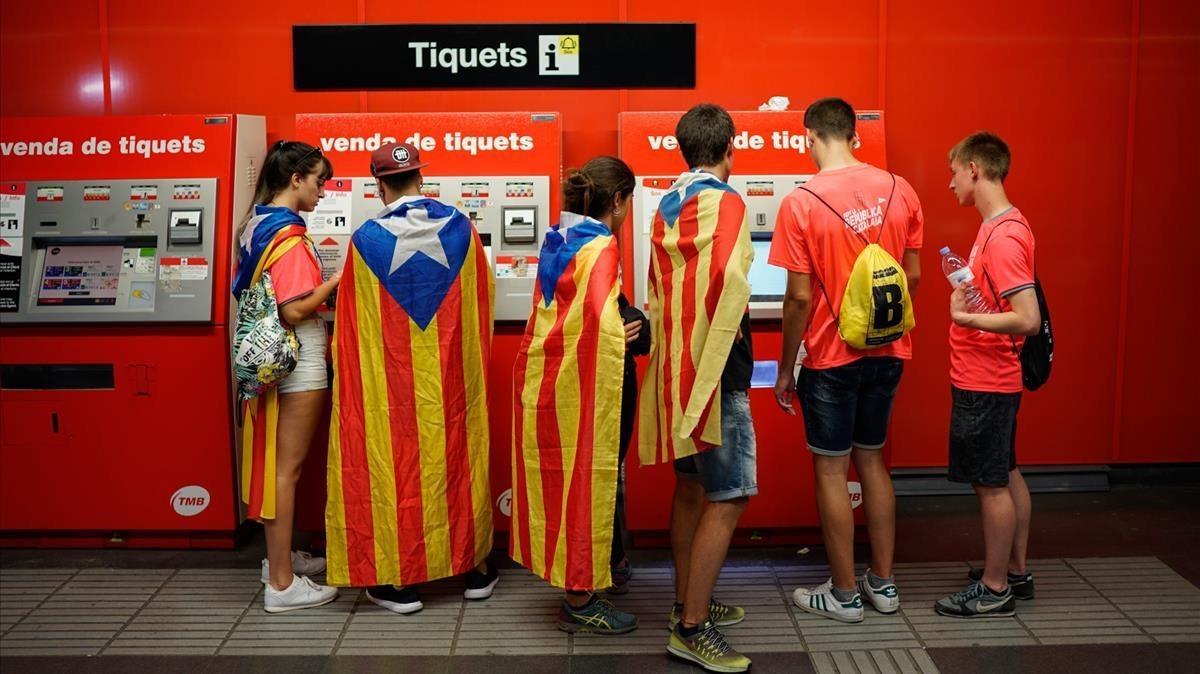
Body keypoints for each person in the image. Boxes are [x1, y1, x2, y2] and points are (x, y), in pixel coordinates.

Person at [324, 142, 498, 614]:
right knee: (461, 457)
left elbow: (350, 318)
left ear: (378, 185)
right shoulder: (462, 226)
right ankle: (475, 568)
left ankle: (397, 582)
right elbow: (484, 294)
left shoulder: (364, 239)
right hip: (452, 378)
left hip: (391, 387)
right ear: (422, 178)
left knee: (393, 469)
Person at [769, 97, 923, 623]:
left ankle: (843, 593)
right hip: (890, 350)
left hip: (831, 358)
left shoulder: (801, 202)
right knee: (874, 460)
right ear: (853, 135)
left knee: (832, 471)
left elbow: (796, 299)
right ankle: (884, 584)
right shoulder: (901, 188)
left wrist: (786, 368)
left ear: (809, 135)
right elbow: (914, 276)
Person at [638, 103, 755, 673]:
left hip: (675, 371)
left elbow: (664, 289)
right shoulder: (729, 201)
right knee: (728, 495)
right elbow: (730, 281)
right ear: (730, 147)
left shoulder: (665, 204)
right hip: (717, 372)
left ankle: (687, 601)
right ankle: (691, 628)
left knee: (689, 490)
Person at [509, 156, 645, 634]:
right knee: (594, 476)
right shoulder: (602, 246)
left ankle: (602, 564)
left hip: (555, 380)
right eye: (629, 202)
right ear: (617, 200)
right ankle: (581, 596)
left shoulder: (558, 238)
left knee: (575, 479)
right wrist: (627, 330)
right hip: (592, 386)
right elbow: (603, 318)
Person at [231, 140, 341, 613]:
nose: (322, 191)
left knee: (273, 464)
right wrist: (339, 279)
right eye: (318, 181)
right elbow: (295, 309)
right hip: (298, 363)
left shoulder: (254, 225)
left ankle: (279, 560)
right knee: (285, 471)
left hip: (270, 362)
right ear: (295, 179)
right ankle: (281, 584)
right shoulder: (291, 238)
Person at [935, 132, 1040, 618]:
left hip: (987, 379)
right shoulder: (999, 227)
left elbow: (1027, 317)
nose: (950, 181)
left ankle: (995, 588)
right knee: (1006, 471)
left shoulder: (1003, 237)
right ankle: (1014, 571)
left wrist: (967, 319)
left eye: (954, 170)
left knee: (990, 484)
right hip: (991, 377)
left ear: (975, 169)